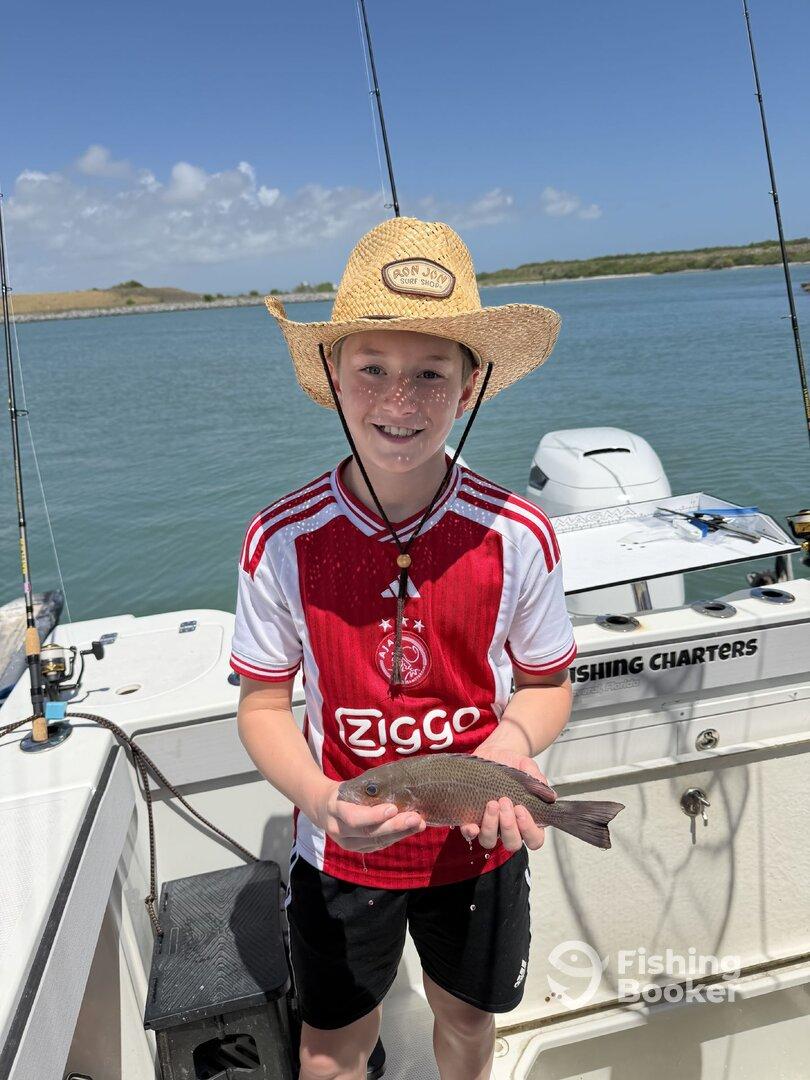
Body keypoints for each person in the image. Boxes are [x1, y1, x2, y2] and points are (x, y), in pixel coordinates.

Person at [231, 216, 577, 1080]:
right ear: (334, 380)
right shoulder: (281, 538)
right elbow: (265, 704)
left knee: (466, 1020)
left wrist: (513, 743)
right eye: (373, 370)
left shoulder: (518, 531)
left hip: (479, 840)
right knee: (330, 1048)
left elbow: (546, 681)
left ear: (469, 389)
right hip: (343, 849)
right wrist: (317, 798)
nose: (400, 400)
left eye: (431, 374)